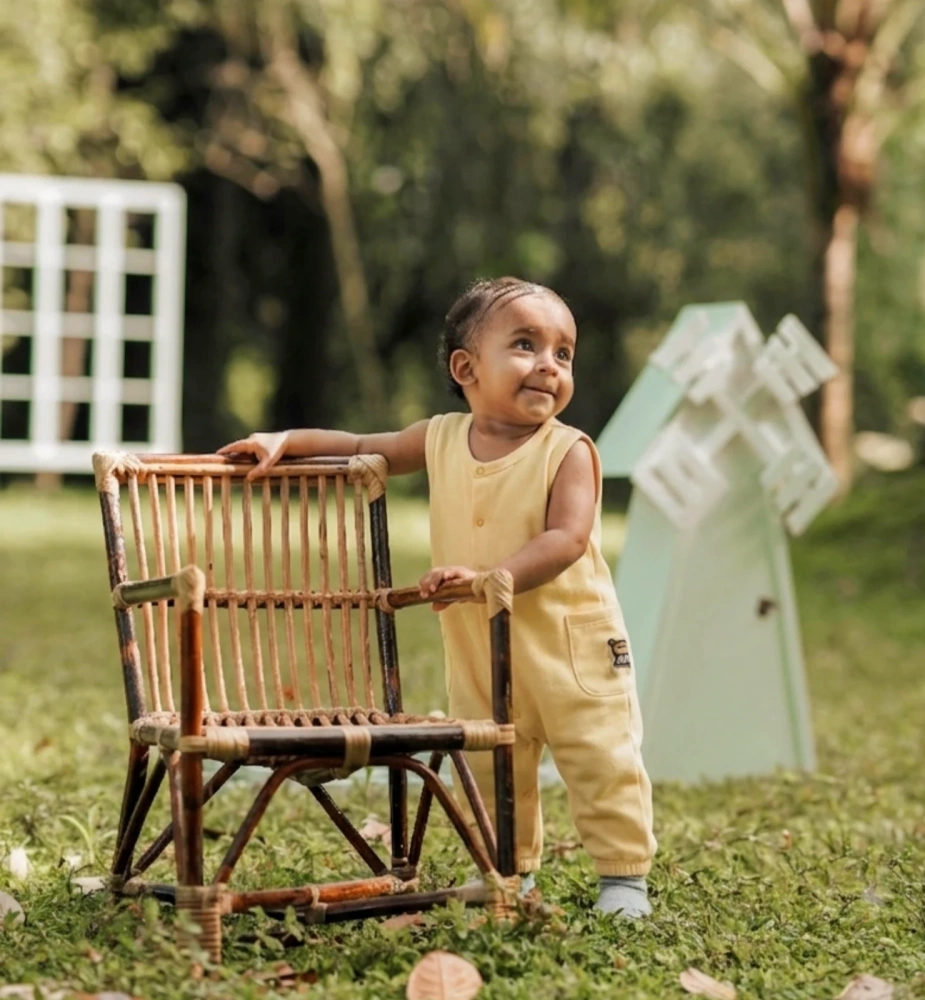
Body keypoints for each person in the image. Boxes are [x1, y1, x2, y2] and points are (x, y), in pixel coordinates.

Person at [219, 276, 657, 917]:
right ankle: (510, 873)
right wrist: (288, 441)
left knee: (599, 755)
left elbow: (568, 537)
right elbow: (364, 448)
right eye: (527, 344)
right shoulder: (442, 437)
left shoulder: (568, 451)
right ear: (466, 367)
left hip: (572, 645)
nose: (549, 365)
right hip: (480, 645)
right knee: (488, 764)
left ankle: (622, 879)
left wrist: (490, 578)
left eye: (564, 354)